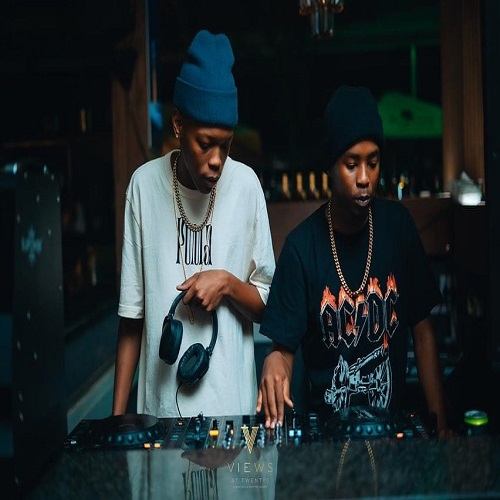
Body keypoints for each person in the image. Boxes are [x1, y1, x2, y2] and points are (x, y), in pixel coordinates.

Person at [256, 85, 450, 438]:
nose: (364, 178)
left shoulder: (398, 228)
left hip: (392, 438)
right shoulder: (301, 248)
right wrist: (273, 362)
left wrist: (441, 427)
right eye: (351, 164)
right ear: (330, 167)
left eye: (372, 163)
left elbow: (423, 334)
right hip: (327, 442)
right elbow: (282, 350)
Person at [113, 29, 275, 418]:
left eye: (226, 145)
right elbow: (131, 318)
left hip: (233, 419)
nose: (216, 160)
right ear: (178, 124)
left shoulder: (246, 187)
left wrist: (229, 285)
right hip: (159, 422)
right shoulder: (143, 187)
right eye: (205, 143)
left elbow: (269, 307)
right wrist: (115, 423)